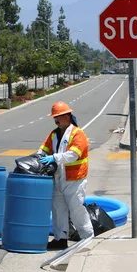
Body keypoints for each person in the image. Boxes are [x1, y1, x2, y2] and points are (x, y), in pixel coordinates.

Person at [38, 101, 94, 250]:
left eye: (58, 117)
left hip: (74, 179)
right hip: (58, 178)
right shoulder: (54, 134)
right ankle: (60, 239)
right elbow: (43, 149)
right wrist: (38, 157)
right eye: (54, 117)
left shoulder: (77, 133)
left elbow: (73, 155)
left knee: (76, 210)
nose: (56, 120)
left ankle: (87, 238)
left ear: (67, 116)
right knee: (58, 210)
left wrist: (54, 158)